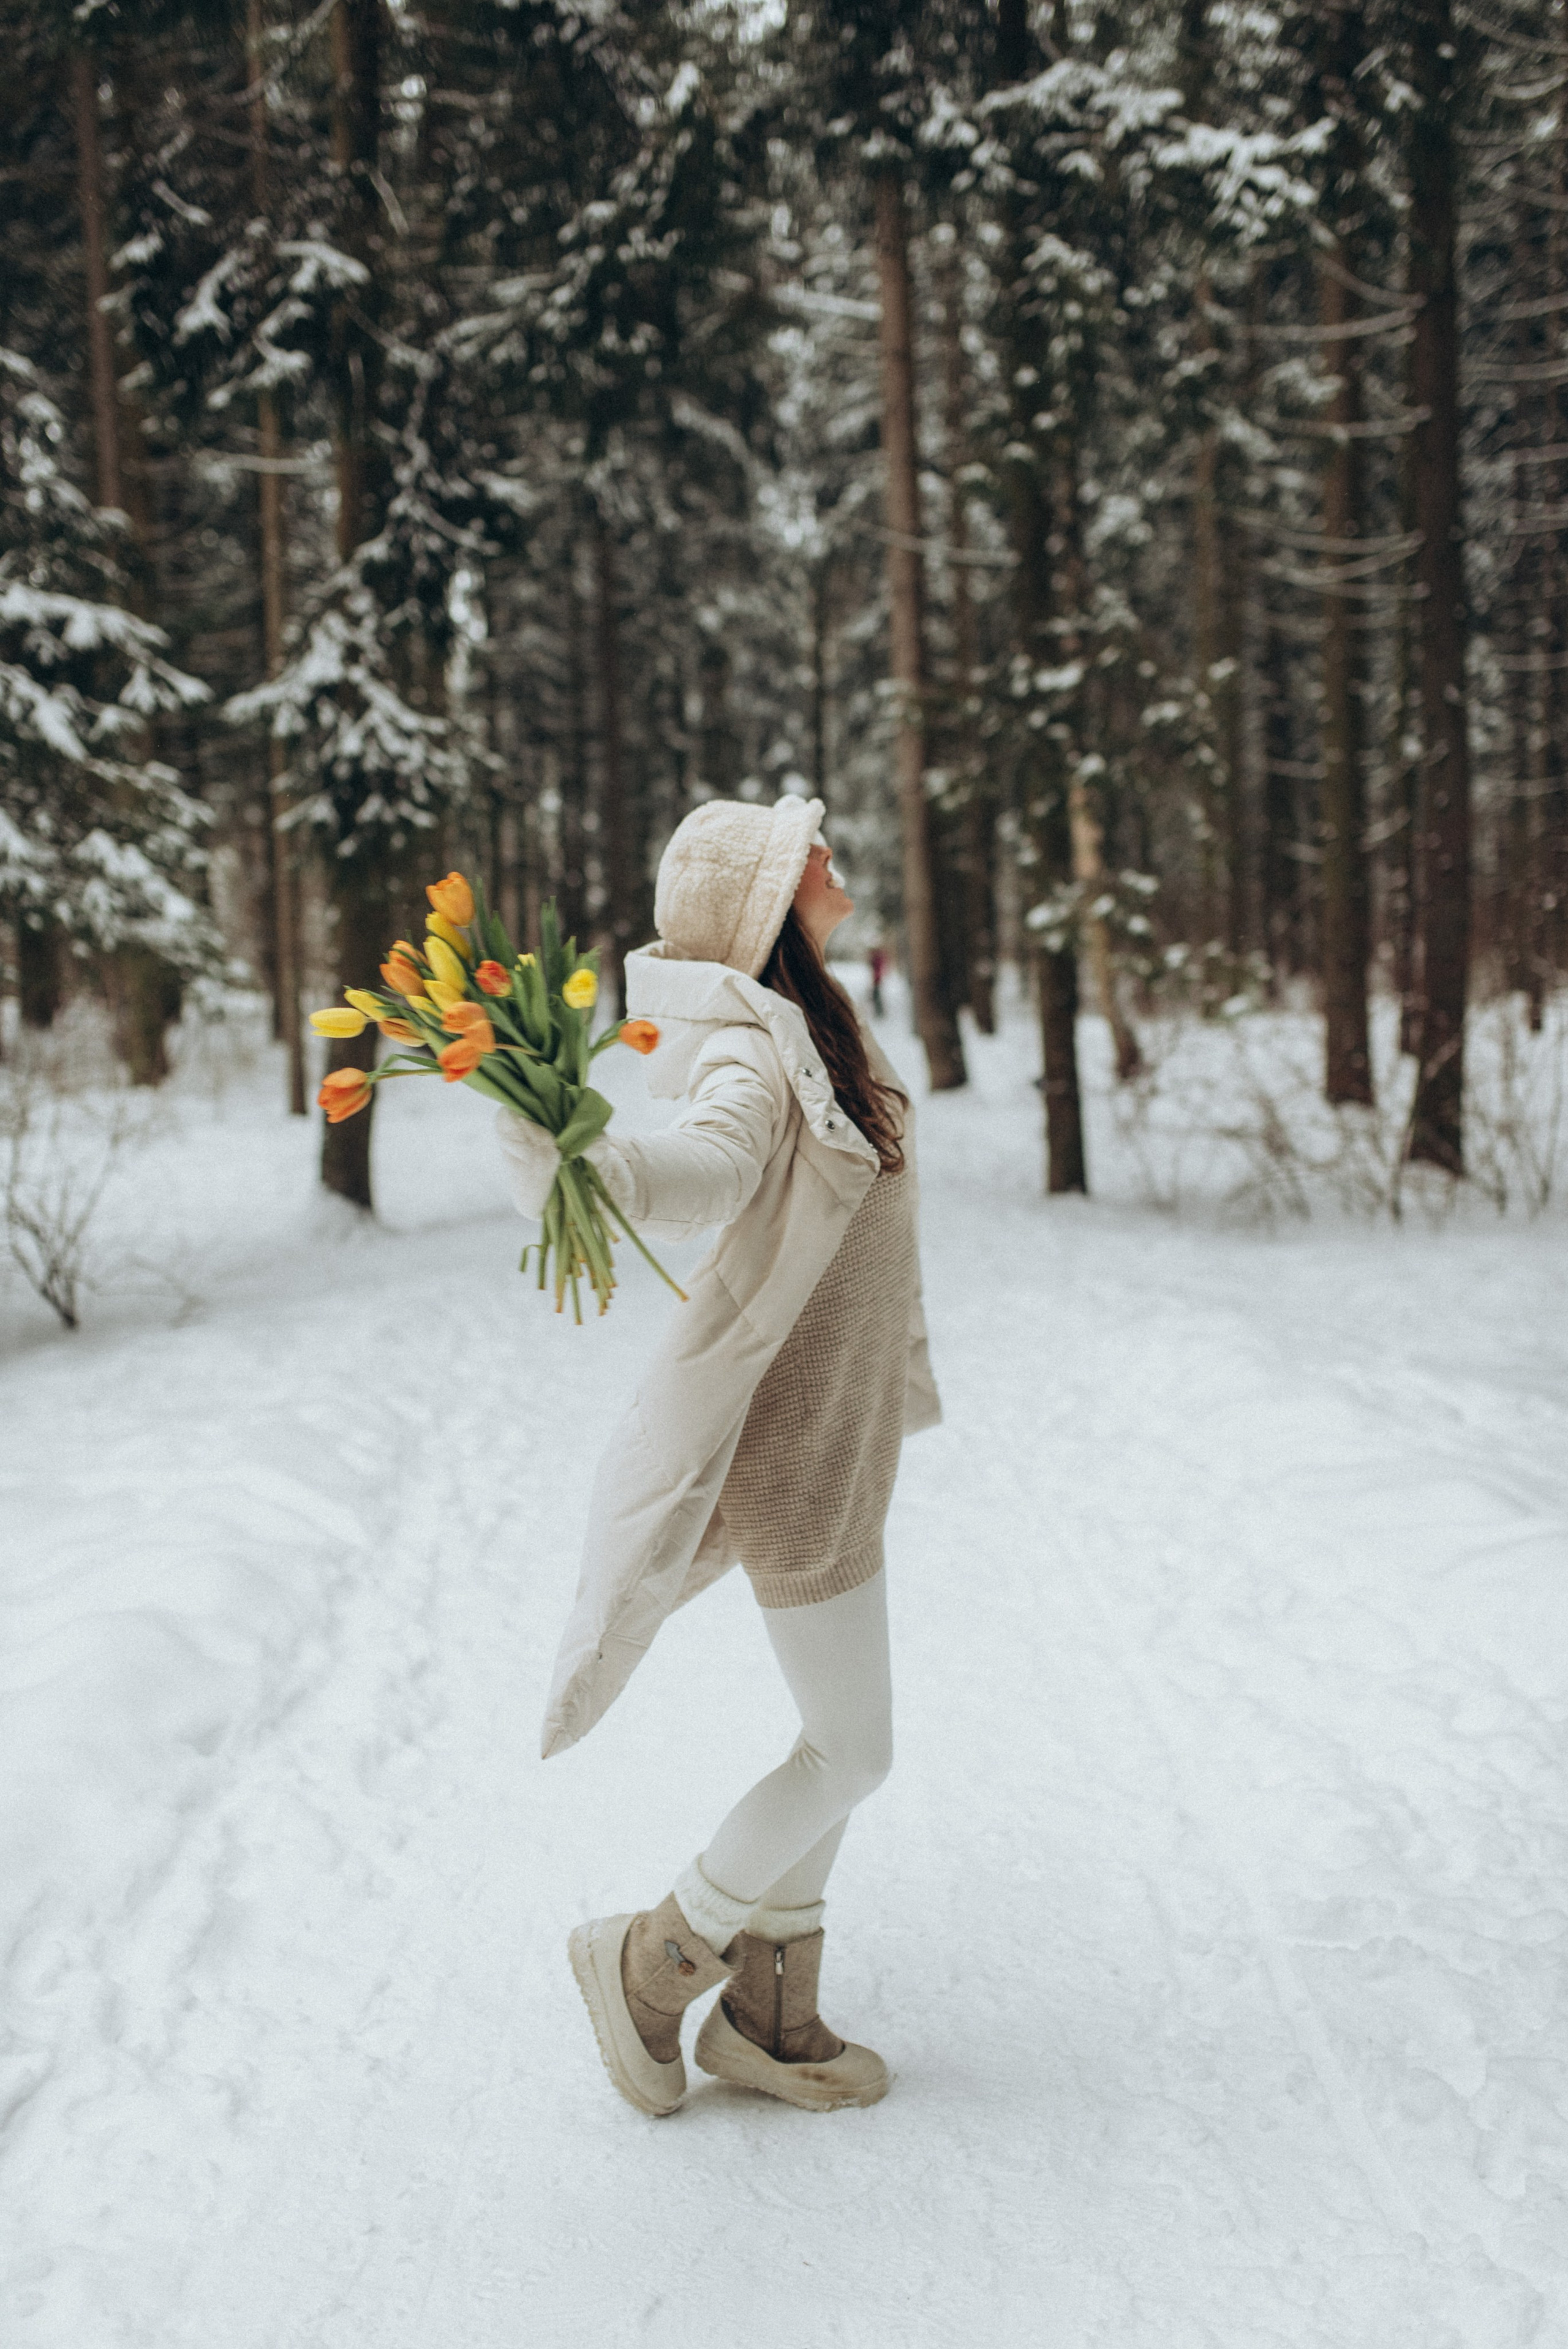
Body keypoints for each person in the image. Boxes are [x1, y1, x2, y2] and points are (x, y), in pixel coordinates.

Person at [496, 794, 940, 2117]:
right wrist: (591, 1164)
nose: (834, 861)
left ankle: (768, 2015)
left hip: (845, 1432)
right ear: (762, 894)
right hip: (796, 1448)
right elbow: (704, 1161)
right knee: (853, 1751)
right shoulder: (754, 1050)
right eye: (813, 850)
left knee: (830, 1731)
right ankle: (648, 1960)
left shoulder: (812, 1022)